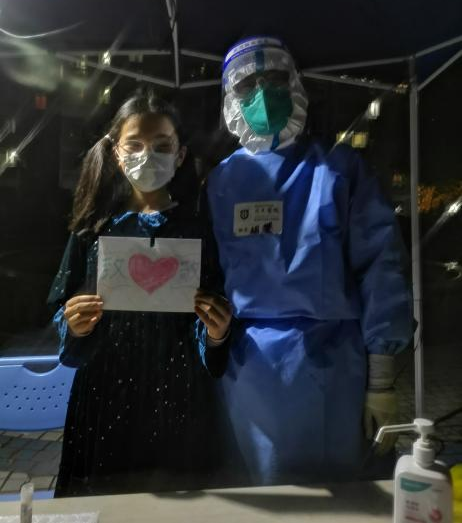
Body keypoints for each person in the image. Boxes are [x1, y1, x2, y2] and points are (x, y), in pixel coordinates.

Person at [203, 36, 414, 485]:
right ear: (229, 99)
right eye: (247, 85)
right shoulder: (220, 181)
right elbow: (206, 276)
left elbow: (381, 267)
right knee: (259, 500)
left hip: (331, 365)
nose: (263, 93)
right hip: (245, 371)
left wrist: (381, 378)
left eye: (275, 78)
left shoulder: (339, 169)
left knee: (336, 501)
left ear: (296, 84)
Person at [48, 90, 232, 496]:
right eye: (135, 145)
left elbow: (209, 316)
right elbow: (63, 311)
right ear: (116, 153)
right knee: (103, 505)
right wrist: (74, 325)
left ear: (180, 155)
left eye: (162, 146)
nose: (148, 156)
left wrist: (217, 333)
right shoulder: (93, 229)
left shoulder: (198, 228)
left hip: (180, 398)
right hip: (104, 396)